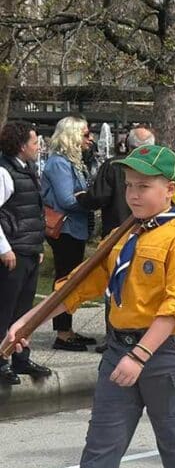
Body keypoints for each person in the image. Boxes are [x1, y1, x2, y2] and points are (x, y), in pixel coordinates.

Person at [12, 145, 175, 468]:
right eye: (129, 186)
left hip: (166, 354)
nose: (134, 194)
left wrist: (141, 355)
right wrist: (31, 318)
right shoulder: (124, 235)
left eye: (145, 186)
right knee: (100, 448)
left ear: (170, 190)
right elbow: (83, 283)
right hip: (121, 349)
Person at [0, 121, 51, 385]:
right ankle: (1, 360)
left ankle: (21, 358)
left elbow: (32, 211)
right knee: (5, 310)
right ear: (21, 146)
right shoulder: (4, 172)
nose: (38, 147)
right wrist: (4, 248)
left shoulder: (26, 169)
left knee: (24, 311)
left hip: (27, 249)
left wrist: (36, 247)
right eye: (34, 142)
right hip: (12, 252)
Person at [41, 116, 95, 352]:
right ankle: (62, 333)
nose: (90, 139)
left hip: (75, 227)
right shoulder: (59, 163)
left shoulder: (72, 161)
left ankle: (68, 330)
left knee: (71, 279)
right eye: (85, 134)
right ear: (71, 135)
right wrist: (94, 200)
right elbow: (66, 199)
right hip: (65, 229)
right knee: (64, 279)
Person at [81, 125, 156, 237]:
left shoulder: (114, 166)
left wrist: (81, 198)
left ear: (127, 144)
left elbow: (98, 197)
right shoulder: (159, 169)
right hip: (151, 231)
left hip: (117, 232)